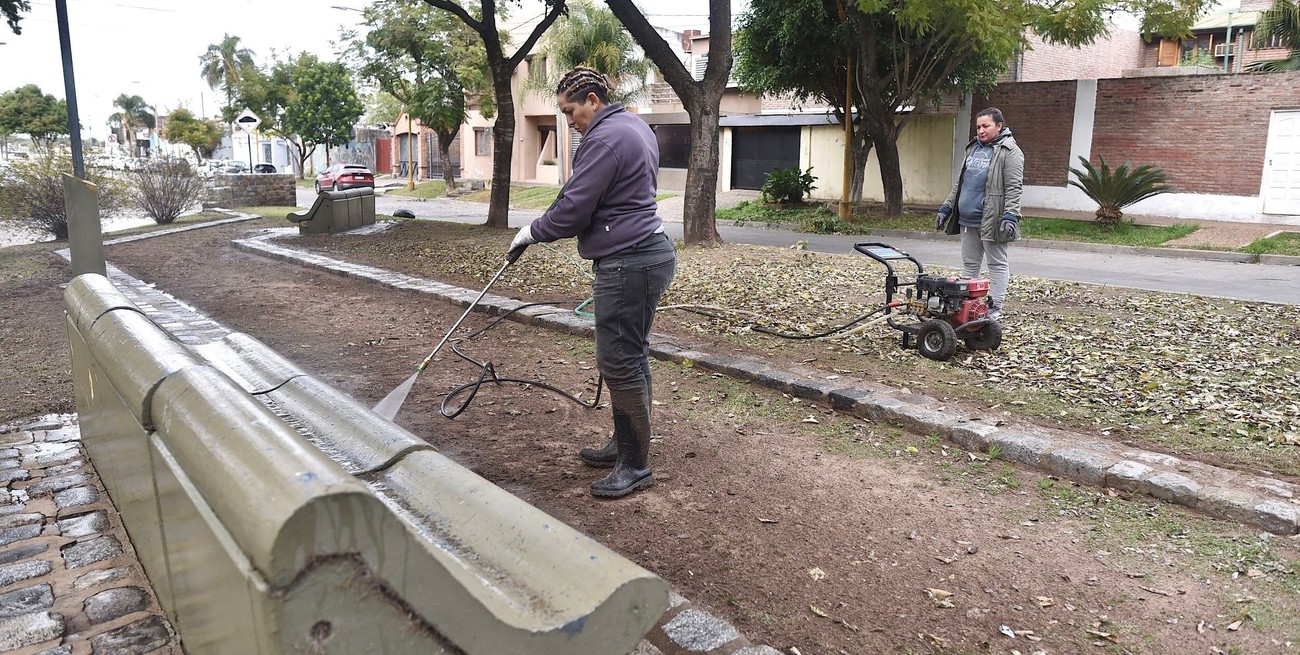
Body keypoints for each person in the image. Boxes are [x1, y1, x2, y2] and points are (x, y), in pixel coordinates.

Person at [510, 66, 677, 498]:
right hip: (648, 252)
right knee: (632, 355)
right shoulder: (633, 126)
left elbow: (574, 211)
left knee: (619, 360)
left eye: (570, 111)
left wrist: (533, 230)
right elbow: (592, 193)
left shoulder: (603, 137)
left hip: (628, 262)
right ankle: (627, 446)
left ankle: (634, 464)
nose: (569, 121)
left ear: (592, 101)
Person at [936, 107, 1024, 321]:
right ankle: (968, 305)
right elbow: (961, 183)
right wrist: (946, 208)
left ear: (999, 126)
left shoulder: (1010, 151)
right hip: (967, 219)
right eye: (978, 127)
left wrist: (1011, 215)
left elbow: (1014, 187)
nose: (981, 131)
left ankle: (995, 306)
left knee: (997, 263)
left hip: (992, 219)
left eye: (986, 126)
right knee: (970, 264)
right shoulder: (973, 148)